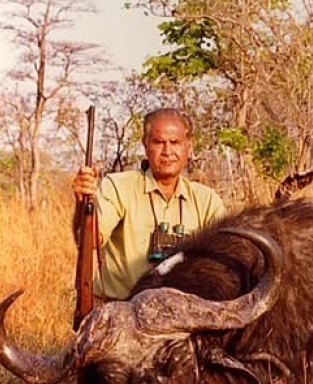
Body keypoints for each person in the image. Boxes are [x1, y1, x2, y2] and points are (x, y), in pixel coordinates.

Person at [72, 108, 226, 301]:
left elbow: (224, 257)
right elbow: (89, 241)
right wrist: (82, 203)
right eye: (159, 142)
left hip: (184, 315)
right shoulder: (118, 186)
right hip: (122, 310)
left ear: (189, 146)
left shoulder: (207, 201)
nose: (168, 151)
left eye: (175, 142)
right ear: (145, 146)